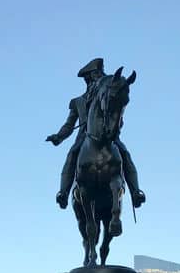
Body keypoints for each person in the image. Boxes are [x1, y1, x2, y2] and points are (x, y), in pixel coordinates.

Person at [46, 57, 145, 210]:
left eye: (100, 74)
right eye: (95, 75)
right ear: (88, 78)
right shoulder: (78, 101)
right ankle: (63, 193)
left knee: (124, 153)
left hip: (108, 135)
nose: (98, 78)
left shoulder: (106, 93)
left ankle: (136, 192)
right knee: (72, 154)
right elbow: (69, 124)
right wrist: (58, 137)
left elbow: (115, 106)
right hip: (84, 136)